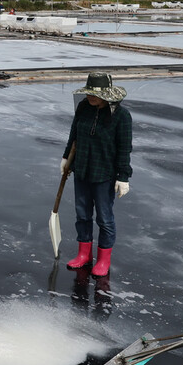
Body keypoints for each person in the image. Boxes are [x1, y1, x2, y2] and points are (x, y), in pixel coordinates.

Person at [61, 73, 133, 277]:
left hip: (105, 174)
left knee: (104, 218)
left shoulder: (121, 116)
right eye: (89, 92)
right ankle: (84, 255)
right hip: (82, 169)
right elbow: (74, 134)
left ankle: (103, 260)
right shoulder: (84, 107)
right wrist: (66, 158)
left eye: (95, 94)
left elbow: (124, 148)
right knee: (82, 214)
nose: (90, 97)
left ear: (107, 95)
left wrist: (123, 176)